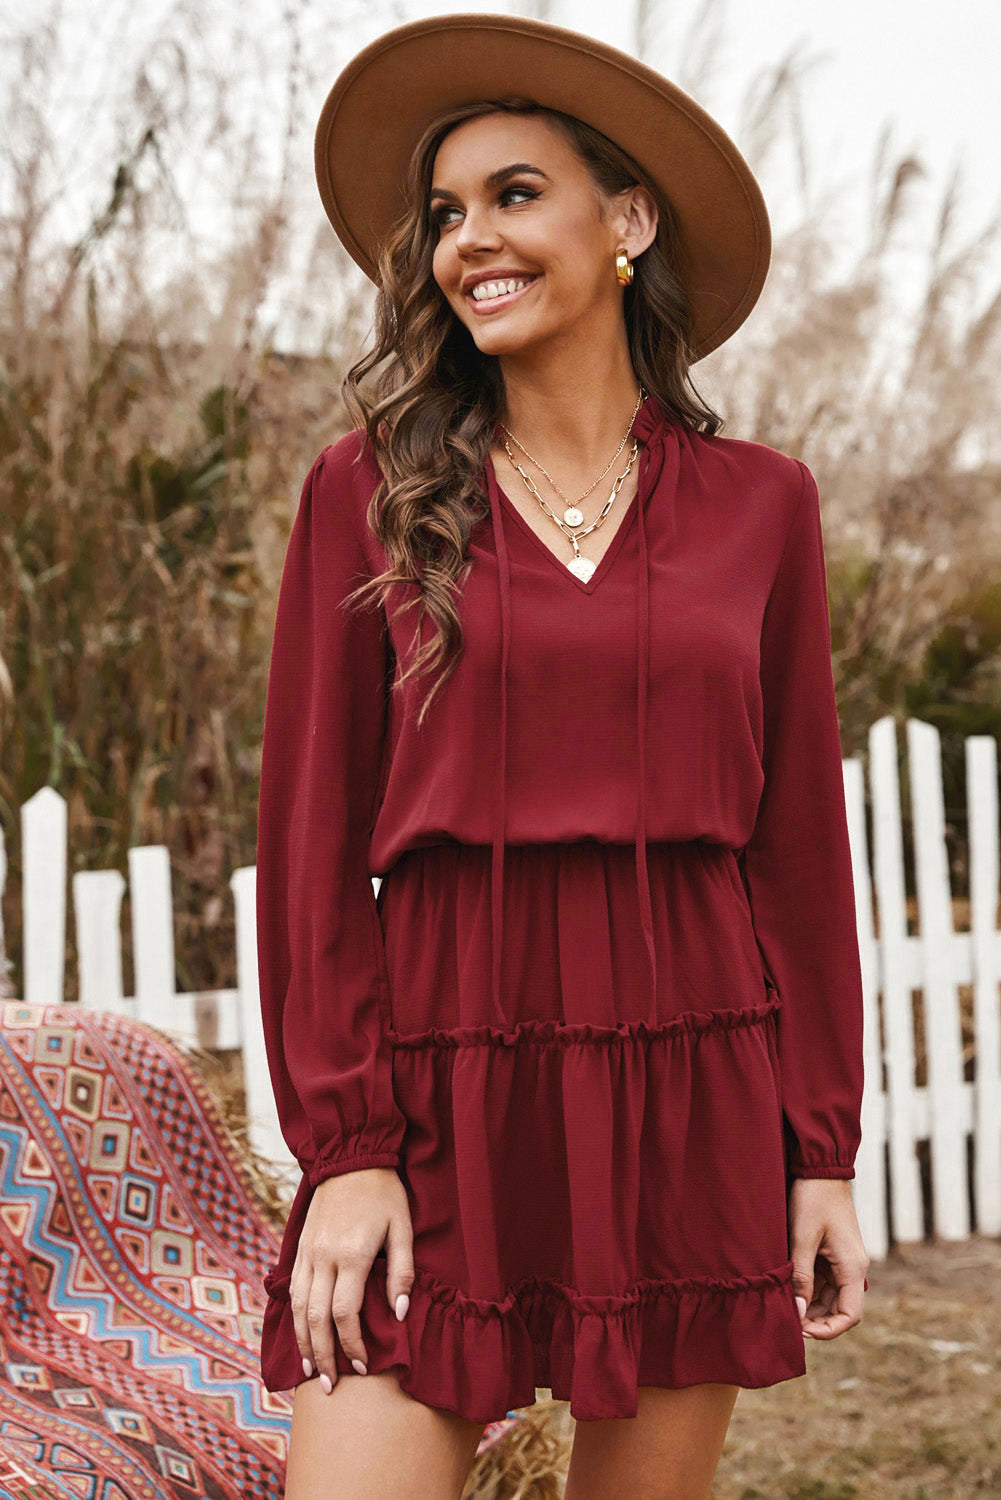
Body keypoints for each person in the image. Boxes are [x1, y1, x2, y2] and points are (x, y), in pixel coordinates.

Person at [254, 13, 871, 1499]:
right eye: (445, 213)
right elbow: (311, 844)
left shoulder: (764, 504)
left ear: (628, 222)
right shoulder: (366, 493)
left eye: (514, 194)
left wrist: (819, 1150)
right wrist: (349, 1146)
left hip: (693, 1080)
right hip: (440, 1086)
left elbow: (796, 851)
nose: (469, 239)